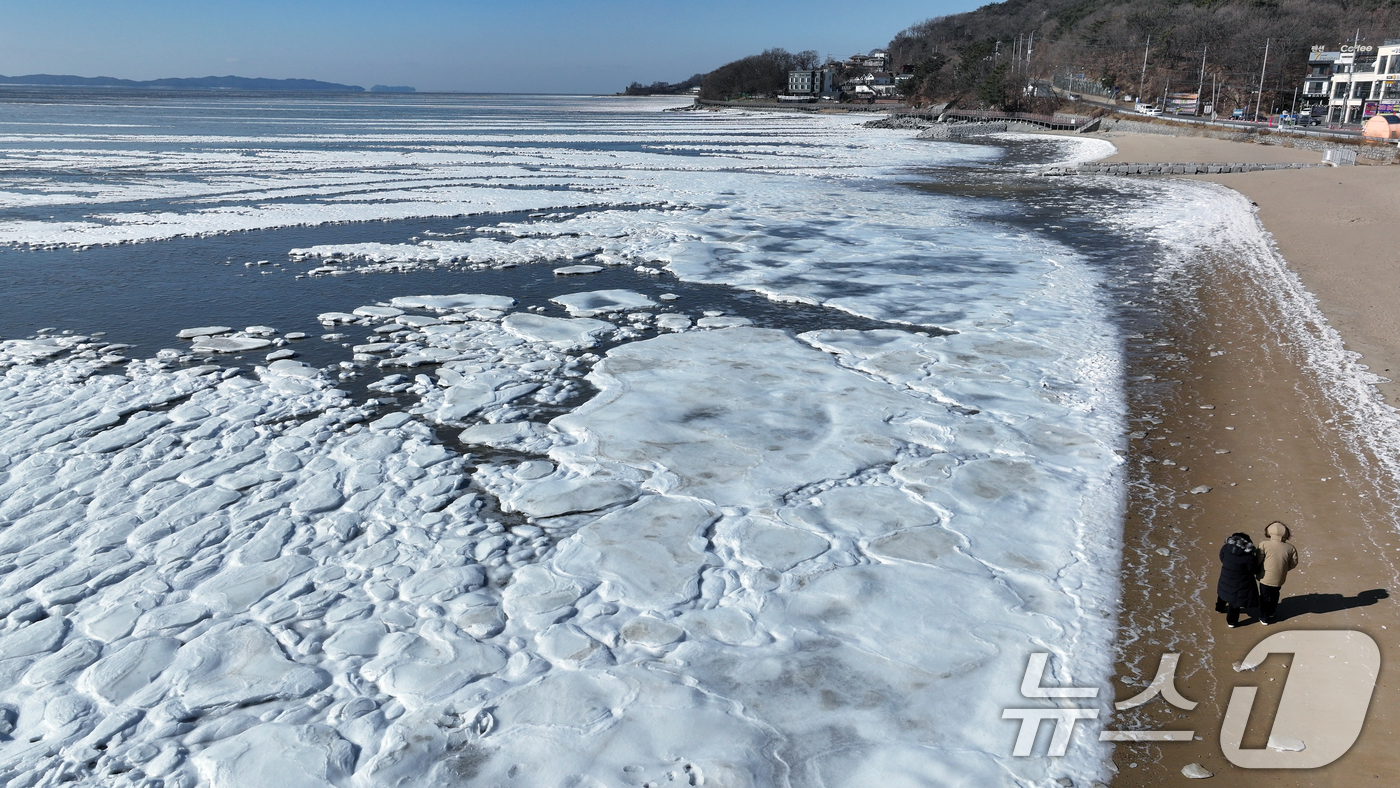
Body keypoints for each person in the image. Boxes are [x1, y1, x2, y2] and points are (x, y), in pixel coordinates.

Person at [1256, 521, 1300, 625]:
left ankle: (1264, 617)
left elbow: (1258, 560)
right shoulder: (1290, 548)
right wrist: (1284, 569)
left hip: (1265, 576)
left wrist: (1258, 569)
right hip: (1280, 577)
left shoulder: (1263, 544)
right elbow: (1294, 563)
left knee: (1264, 596)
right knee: (1275, 594)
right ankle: (1271, 612)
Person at [1216, 532, 1260, 628]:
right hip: (1239, 582)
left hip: (1225, 577)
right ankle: (1231, 622)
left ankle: (1219, 608)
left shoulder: (1225, 548)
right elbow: (1252, 569)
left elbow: (1222, 558)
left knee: (1223, 592)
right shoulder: (1248, 557)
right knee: (1234, 602)